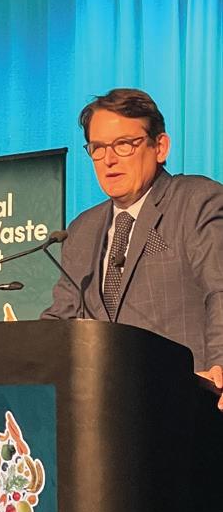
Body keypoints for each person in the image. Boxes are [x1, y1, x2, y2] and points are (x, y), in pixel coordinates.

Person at [42, 88, 223, 410]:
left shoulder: (196, 201)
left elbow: (219, 289)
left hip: (188, 405)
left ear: (160, 147)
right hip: (104, 411)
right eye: (98, 148)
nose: (109, 160)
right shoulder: (82, 230)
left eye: (123, 144)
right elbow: (61, 320)